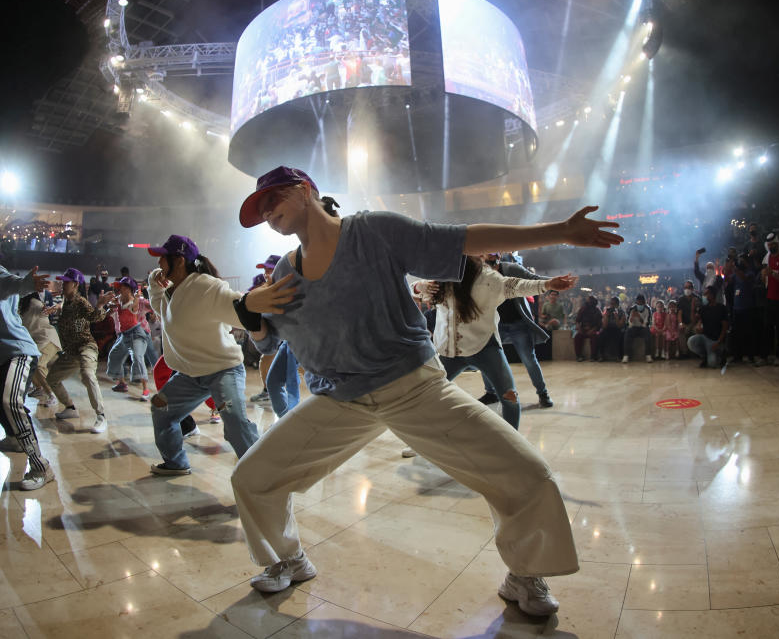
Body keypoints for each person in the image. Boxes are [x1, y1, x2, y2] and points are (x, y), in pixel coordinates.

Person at [230, 165, 623, 615]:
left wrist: (561, 232)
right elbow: (268, 339)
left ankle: (524, 575)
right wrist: (249, 308)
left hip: (412, 387)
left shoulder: (371, 231)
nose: (266, 214)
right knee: (253, 477)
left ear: (305, 191)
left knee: (528, 474)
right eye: (260, 210)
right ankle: (287, 559)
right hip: (338, 399)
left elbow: (460, 238)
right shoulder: (284, 271)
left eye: (271, 201)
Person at [145, 234, 260, 475]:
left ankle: (260, 476)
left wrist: (260, 304)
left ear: (178, 260)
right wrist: (154, 286)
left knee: (235, 424)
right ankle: (175, 463)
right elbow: (162, 310)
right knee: (161, 409)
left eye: (162, 259)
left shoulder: (206, 287)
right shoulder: (173, 292)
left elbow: (239, 308)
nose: (159, 264)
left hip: (222, 369)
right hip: (191, 374)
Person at [424, 256, 576, 433]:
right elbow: (418, 289)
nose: (485, 256)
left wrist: (548, 284)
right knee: (427, 395)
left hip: (484, 346)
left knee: (510, 395)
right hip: (449, 350)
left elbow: (516, 285)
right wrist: (419, 287)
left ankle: (515, 440)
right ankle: (424, 438)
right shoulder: (442, 277)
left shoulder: (488, 278)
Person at [0, 228, 53, 490]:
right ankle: (16, 438)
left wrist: (28, 283)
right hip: (7, 354)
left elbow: (11, 283)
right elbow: (4, 291)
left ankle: (41, 466)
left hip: (20, 352)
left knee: (10, 400)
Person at [480, 256, 555, 408]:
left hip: (517, 323)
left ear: (498, 261)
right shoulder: (479, 273)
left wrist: (554, 282)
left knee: (529, 359)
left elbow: (533, 279)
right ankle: (491, 393)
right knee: (485, 356)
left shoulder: (511, 269)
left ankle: (543, 394)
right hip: (495, 324)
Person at [45, 268, 114, 434]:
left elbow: (95, 317)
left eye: (66, 282)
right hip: (71, 352)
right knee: (52, 378)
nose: (63, 284)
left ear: (75, 284)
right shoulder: (66, 301)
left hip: (86, 347)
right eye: (63, 281)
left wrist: (100, 304)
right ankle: (70, 407)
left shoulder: (81, 302)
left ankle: (101, 416)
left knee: (88, 374)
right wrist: (58, 306)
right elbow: (65, 306)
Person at [106, 276, 153, 401]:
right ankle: (121, 383)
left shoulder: (136, 300)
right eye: (120, 287)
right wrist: (109, 305)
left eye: (124, 287)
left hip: (137, 334)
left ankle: (145, 390)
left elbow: (148, 306)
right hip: (124, 334)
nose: (120, 288)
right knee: (114, 355)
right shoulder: (118, 300)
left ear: (130, 289)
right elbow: (108, 312)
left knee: (137, 357)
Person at [250, 254, 282, 404]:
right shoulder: (263, 284)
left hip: (288, 336)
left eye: (270, 269)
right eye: (265, 269)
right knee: (266, 359)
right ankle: (268, 391)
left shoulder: (286, 286)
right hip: (273, 336)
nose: (266, 273)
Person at [20, 291, 61, 406]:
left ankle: (53, 394)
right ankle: (39, 387)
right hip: (39, 340)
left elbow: (46, 308)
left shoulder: (34, 303)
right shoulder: (25, 306)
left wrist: (53, 308)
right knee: (30, 363)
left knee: (38, 364)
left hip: (48, 339)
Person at [688, 285, 729, 368]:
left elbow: (725, 327)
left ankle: (721, 355)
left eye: (706, 294)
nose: (704, 296)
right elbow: (695, 320)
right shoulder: (703, 308)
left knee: (712, 364)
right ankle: (704, 356)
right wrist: (692, 308)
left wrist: (719, 342)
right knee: (691, 341)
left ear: (712, 295)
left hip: (717, 340)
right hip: (705, 337)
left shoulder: (721, 308)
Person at [763, 232, 779, 365]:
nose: (771, 247)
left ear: (777, 244)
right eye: (769, 245)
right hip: (769, 297)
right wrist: (764, 275)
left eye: (773, 244)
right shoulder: (768, 257)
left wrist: (773, 274)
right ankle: (767, 355)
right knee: (768, 327)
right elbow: (765, 277)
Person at [622, 294, 653, 363]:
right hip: (634, 328)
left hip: (643, 328)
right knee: (627, 332)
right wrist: (632, 319)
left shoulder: (647, 309)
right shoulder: (632, 309)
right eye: (638, 303)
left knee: (647, 333)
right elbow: (629, 324)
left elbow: (646, 324)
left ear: (644, 303)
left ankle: (648, 355)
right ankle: (626, 355)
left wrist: (639, 317)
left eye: (641, 303)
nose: (640, 304)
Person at [596, 296, 626, 361]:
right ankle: (601, 355)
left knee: (620, 336)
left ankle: (619, 356)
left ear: (617, 304)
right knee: (601, 335)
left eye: (613, 304)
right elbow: (604, 326)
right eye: (611, 303)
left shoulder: (622, 312)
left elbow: (620, 326)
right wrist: (606, 316)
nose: (612, 306)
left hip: (618, 329)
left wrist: (617, 317)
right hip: (608, 328)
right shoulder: (607, 310)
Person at [573, 295, 602, 361]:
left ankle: (593, 356)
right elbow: (577, 320)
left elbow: (599, 324)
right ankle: (579, 356)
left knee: (595, 337)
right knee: (577, 337)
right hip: (583, 329)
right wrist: (579, 329)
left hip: (593, 329)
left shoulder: (597, 311)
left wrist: (593, 330)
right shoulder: (583, 309)